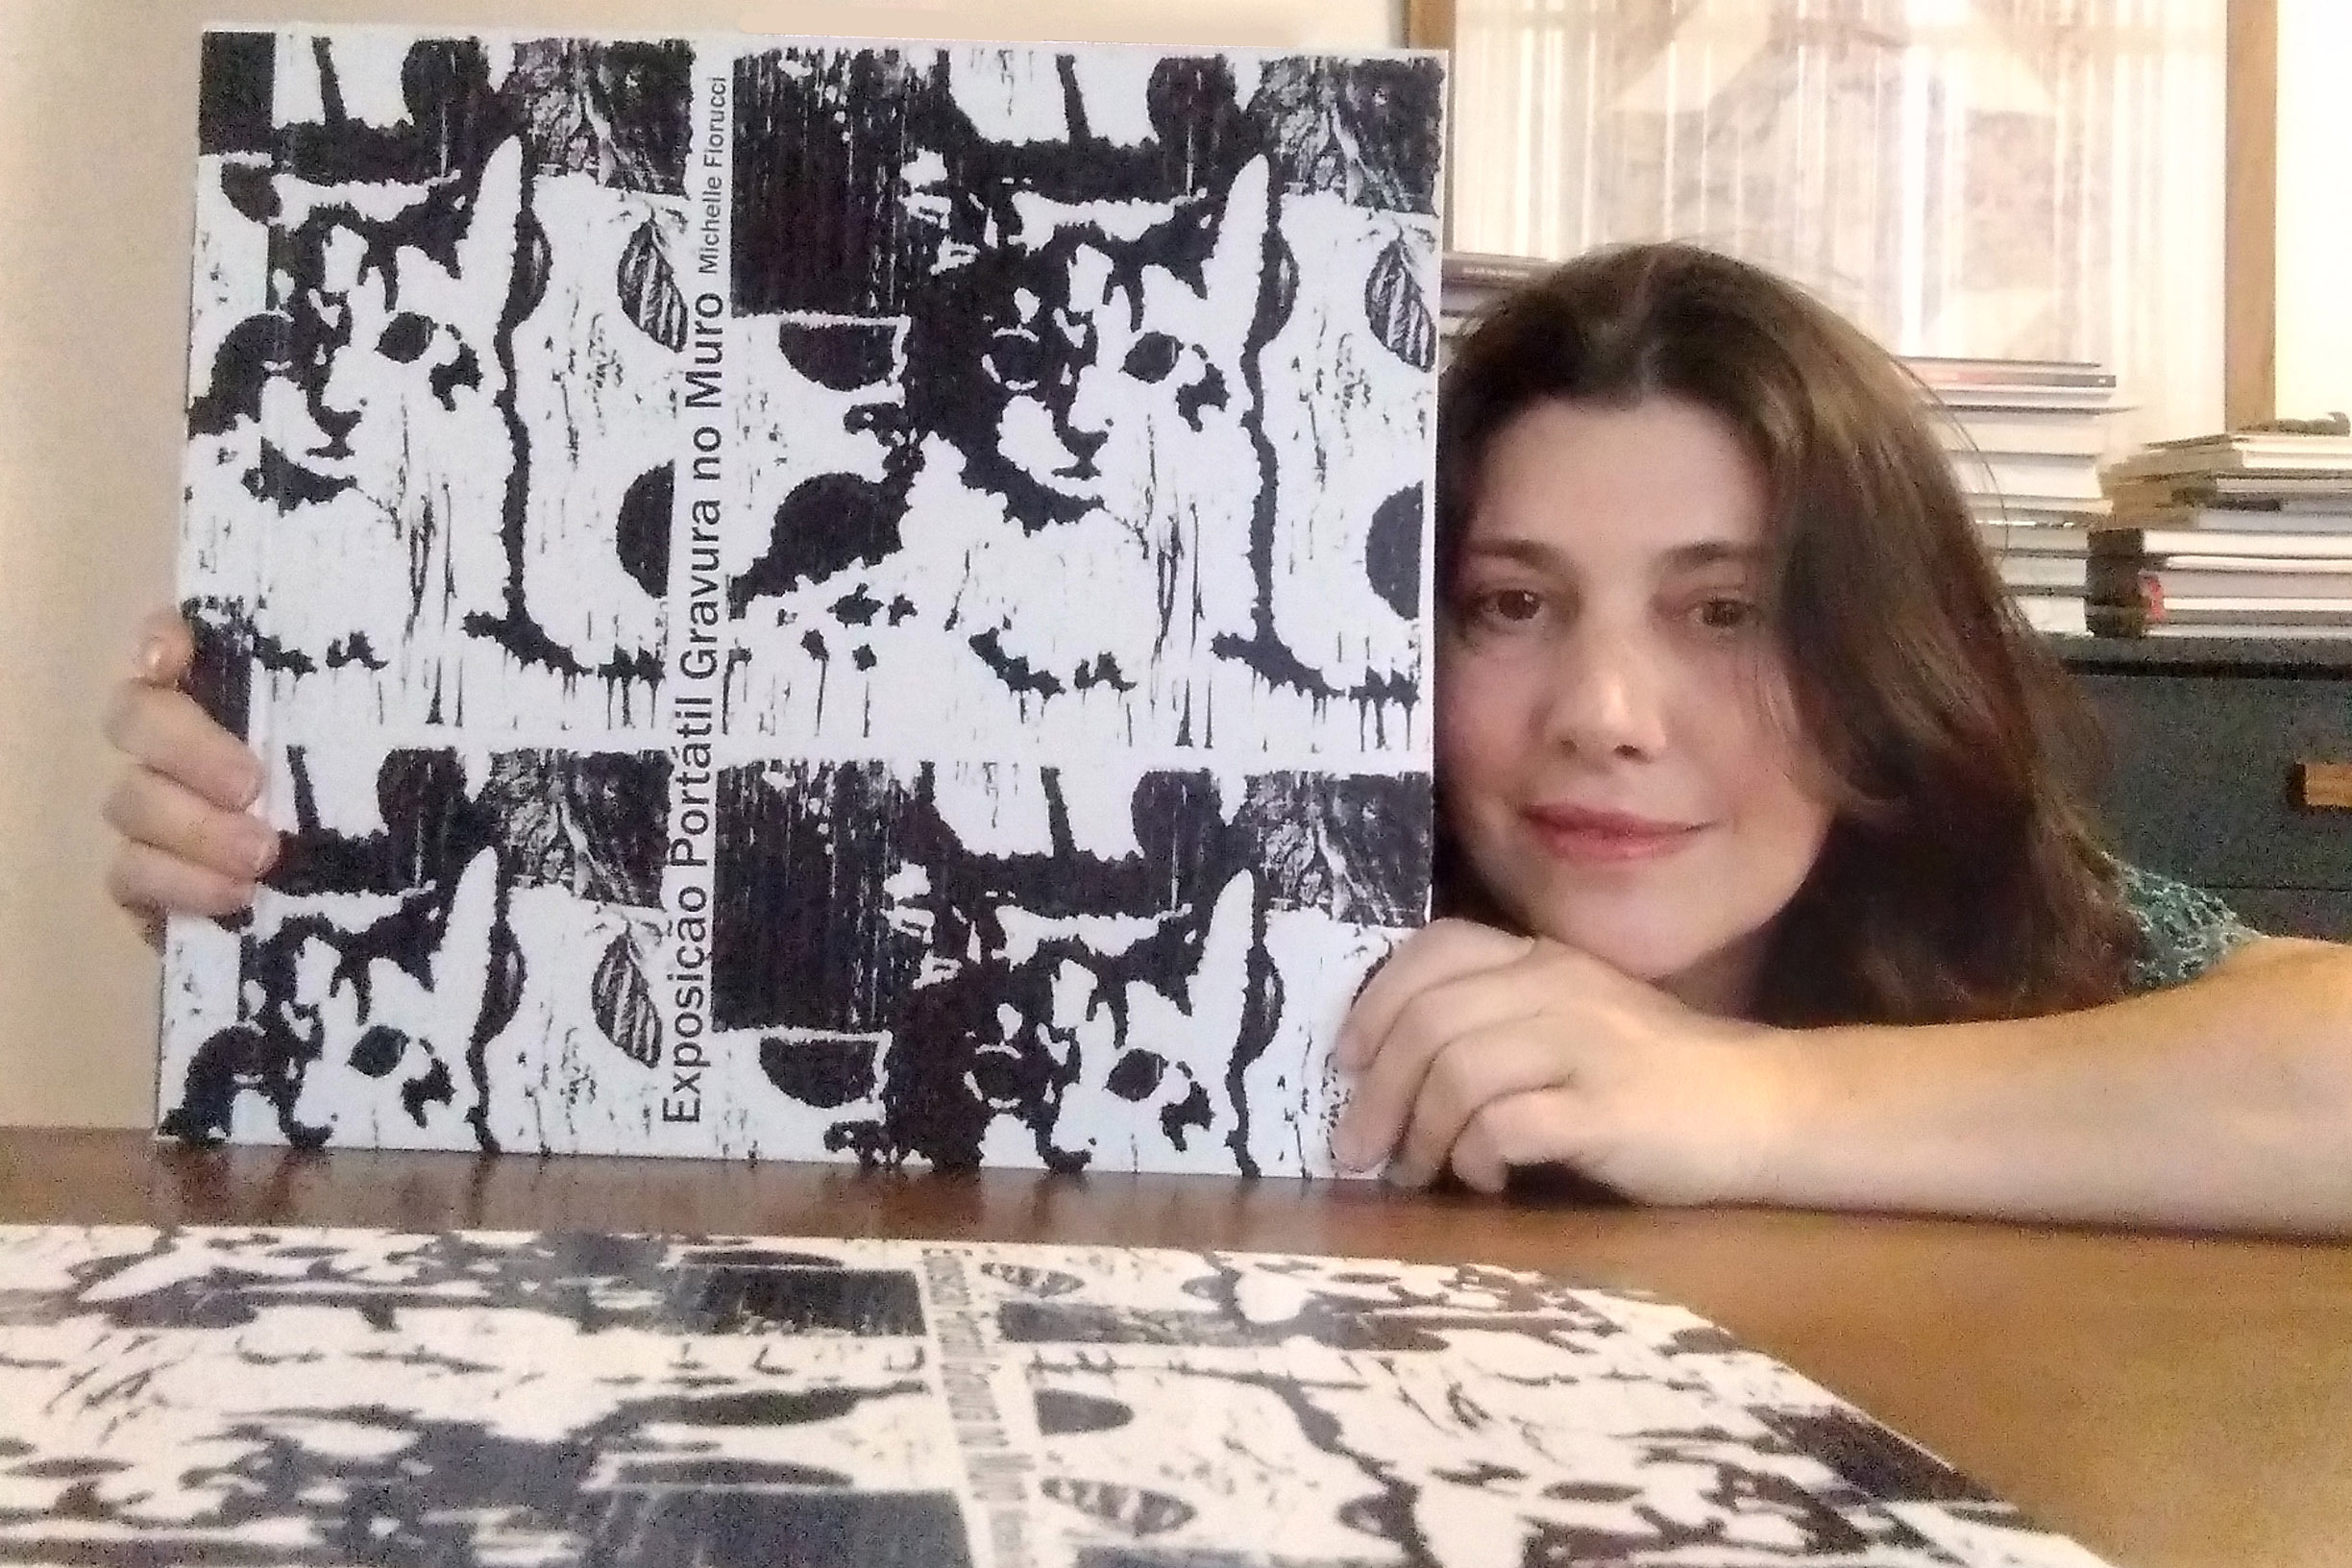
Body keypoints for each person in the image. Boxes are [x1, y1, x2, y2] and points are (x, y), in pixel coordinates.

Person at [104, 242, 2352, 1234]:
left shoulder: (1986, 928)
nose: (1604, 715)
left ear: (1884, 656)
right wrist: (301, 836)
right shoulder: (1279, 898)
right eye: (1507, 604)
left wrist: (1749, 1103)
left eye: (1727, 614)